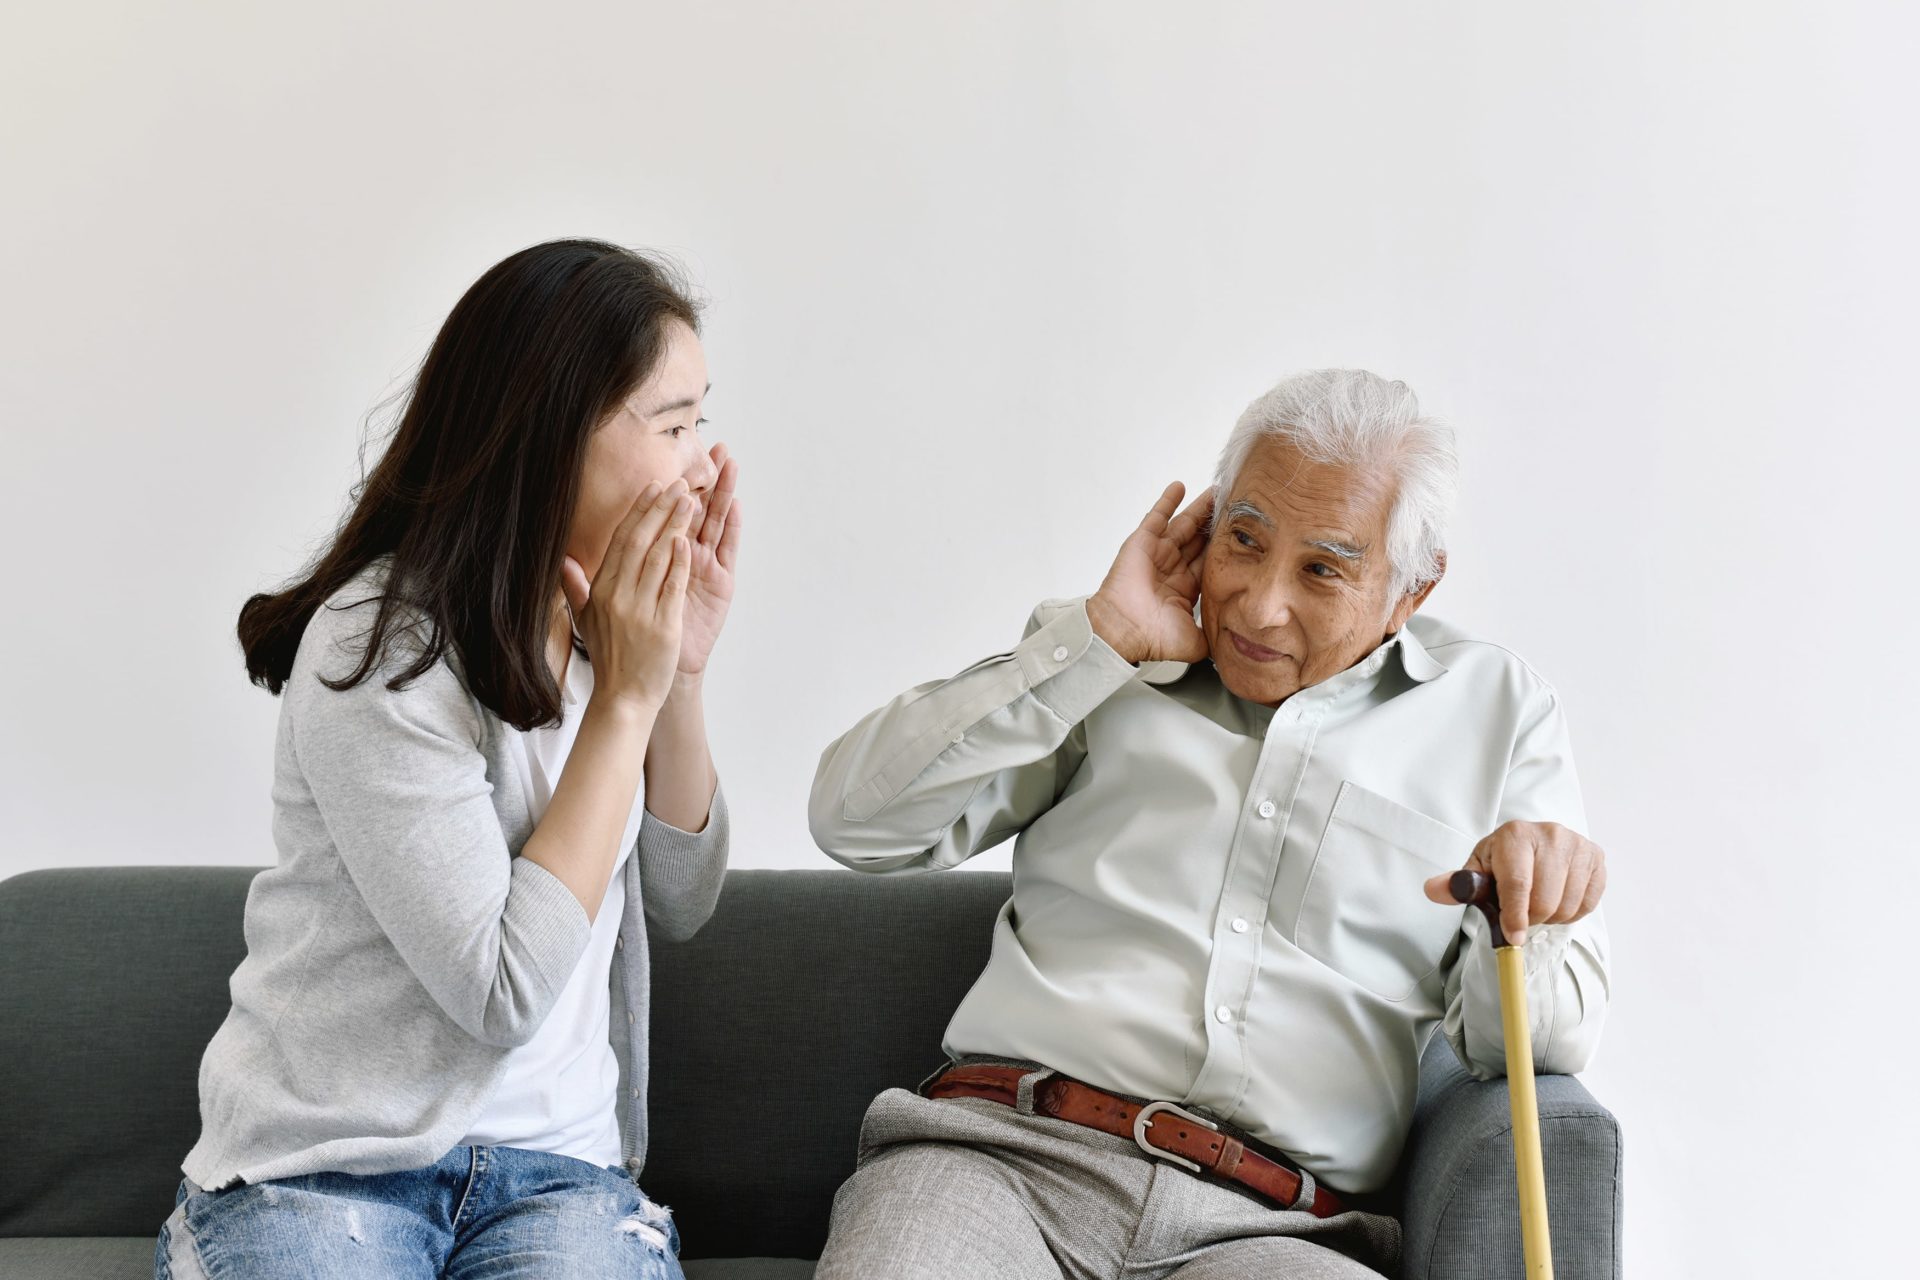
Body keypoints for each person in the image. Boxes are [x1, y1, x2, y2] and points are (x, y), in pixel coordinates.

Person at [808, 368, 1610, 1279]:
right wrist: (1099, 641)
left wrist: (1530, 910)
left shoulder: (1498, 716)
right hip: (1001, 1168)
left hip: (1275, 1232)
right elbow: (855, 822)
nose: (1259, 606)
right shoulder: (1107, 657)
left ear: (1411, 590)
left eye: (1322, 569)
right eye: (1244, 540)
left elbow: (1537, 1048)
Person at [155, 239, 742, 1280]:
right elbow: (503, 987)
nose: (707, 459)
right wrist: (626, 704)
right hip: (327, 1168)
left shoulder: (615, 635)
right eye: (675, 424)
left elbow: (685, 896)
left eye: (704, 419)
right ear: (555, 433)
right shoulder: (378, 645)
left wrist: (680, 674)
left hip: (561, 1176)